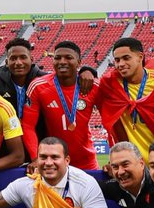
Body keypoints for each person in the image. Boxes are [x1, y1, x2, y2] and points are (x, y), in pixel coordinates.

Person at [94, 37, 154, 160]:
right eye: (117, 60)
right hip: (133, 166)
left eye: (126, 58)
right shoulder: (110, 84)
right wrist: (88, 70)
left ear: (140, 57)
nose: (121, 64)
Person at [22, 41, 101, 170]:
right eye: (57, 58)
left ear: (79, 62)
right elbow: (27, 125)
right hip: (52, 161)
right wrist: (36, 158)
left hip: (86, 161)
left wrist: (114, 158)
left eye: (68, 58)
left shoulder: (92, 86)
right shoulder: (38, 86)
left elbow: (111, 122)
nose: (62, 61)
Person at [0, 37, 44, 120]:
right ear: (6, 62)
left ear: (31, 59)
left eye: (23, 57)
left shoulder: (44, 81)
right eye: (13, 58)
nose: (18, 63)